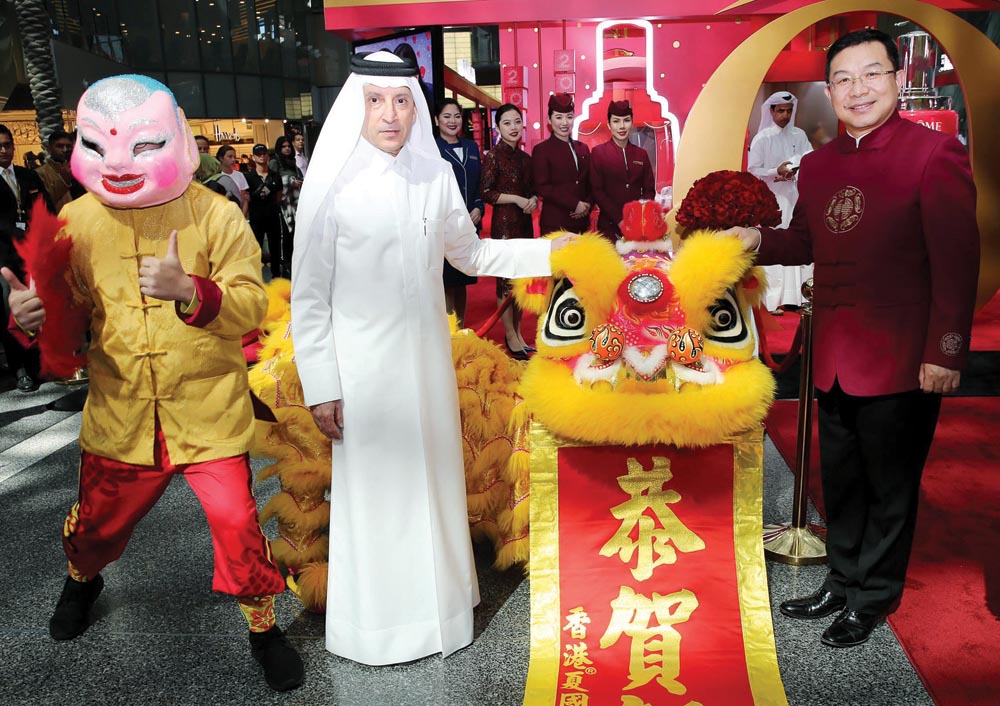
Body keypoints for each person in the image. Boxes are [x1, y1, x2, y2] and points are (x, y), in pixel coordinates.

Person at [0, 75, 303, 690]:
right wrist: (33, 319)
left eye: (140, 145)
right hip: (122, 416)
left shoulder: (216, 214)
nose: (119, 164)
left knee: (239, 528)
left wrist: (193, 291)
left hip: (208, 410)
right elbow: (70, 312)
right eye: (100, 145)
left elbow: (252, 305)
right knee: (94, 529)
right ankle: (83, 580)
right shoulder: (76, 220)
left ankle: (263, 627)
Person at [290, 51, 571, 666]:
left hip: (426, 366)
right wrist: (321, 384)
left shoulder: (433, 176)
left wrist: (553, 253)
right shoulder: (330, 184)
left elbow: (471, 257)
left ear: (415, 108)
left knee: (434, 486)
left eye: (401, 101)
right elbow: (309, 298)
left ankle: (442, 612)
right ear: (356, 104)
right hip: (362, 375)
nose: (390, 114)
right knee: (379, 496)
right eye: (375, 100)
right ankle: (376, 628)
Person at [728, 29, 979, 649]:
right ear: (830, 90)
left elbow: (957, 260)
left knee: (889, 485)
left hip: (901, 356)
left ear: (897, 80)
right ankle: (840, 581)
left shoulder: (934, 154)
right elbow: (805, 243)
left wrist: (944, 353)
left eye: (871, 74)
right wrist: (755, 239)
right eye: (843, 78)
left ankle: (873, 596)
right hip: (833, 353)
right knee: (839, 478)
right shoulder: (817, 165)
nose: (857, 89)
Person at [748, 91, 814, 314]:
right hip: (772, 200)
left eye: (788, 111)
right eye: (780, 111)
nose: (785, 115)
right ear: (771, 111)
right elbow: (753, 172)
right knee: (775, 243)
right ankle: (772, 300)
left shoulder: (799, 135)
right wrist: (776, 171)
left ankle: (797, 297)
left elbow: (810, 160)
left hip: (795, 197)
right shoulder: (763, 138)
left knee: (796, 242)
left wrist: (795, 170)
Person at [481, 103, 538, 358]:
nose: (513, 127)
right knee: (505, 282)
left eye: (517, 122)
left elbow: (532, 189)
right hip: (504, 225)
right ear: (498, 127)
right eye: (507, 123)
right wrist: (515, 199)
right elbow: (487, 192)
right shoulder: (494, 156)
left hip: (524, 224)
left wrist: (534, 199)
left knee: (520, 282)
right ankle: (510, 335)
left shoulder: (526, 159)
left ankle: (517, 332)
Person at [0, 124, 53, 392]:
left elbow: (47, 208)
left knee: (38, 308)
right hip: (5, 260)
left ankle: (38, 366)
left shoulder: (26, 176)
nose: (4, 150)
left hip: (35, 256)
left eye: (8, 145)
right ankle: (20, 369)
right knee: (12, 313)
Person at [434, 98, 482, 328]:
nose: (452, 121)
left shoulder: (471, 147)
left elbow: (479, 183)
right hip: (444, 223)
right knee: (446, 280)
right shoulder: (432, 149)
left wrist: (478, 207)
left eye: (456, 116)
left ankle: (461, 328)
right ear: (436, 120)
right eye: (446, 116)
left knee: (463, 278)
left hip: (469, 223)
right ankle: (449, 332)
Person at [589, 100, 655, 240]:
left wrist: (639, 216)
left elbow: (649, 189)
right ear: (609, 124)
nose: (622, 126)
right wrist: (620, 220)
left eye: (626, 120)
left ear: (632, 122)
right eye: (616, 121)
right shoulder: (599, 153)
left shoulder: (641, 154)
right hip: (609, 227)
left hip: (637, 227)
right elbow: (597, 191)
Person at [532, 93, 591, 237]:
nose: (565, 123)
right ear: (549, 120)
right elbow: (542, 187)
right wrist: (575, 204)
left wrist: (587, 205)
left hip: (581, 222)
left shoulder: (582, 148)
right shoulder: (542, 150)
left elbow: (590, 182)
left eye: (569, 117)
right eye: (559, 117)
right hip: (555, 223)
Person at [245, 143, 284, 279]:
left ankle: (276, 275)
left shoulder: (275, 176)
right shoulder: (249, 177)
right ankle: (255, 277)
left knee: (275, 247)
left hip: (272, 215)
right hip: (256, 217)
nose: (262, 156)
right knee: (256, 248)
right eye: (259, 154)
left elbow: (279, 197)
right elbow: (246, 197)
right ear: (254, 157)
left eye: (264, 153)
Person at [269, 135, 303, 276]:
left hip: (295, 203)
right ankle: (285, 264)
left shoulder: (293, 163)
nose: (287, 148)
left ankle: (293, 262)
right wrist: (290, 181)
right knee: (285, 235)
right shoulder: (275, 162)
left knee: (295, 234)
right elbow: (273, 181)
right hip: (282, 204)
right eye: (284, 146)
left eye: (289, 146)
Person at [35, 129, 85, 212]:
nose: (65, 150)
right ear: (49, 149)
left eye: (68, 146)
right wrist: (63, 180)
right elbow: (44, 202)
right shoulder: (39, 173)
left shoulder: (81, 168)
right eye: (60, 146)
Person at [216, 144, 250, 218]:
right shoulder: (216, 176)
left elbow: (244, 198)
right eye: (230, 157)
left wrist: (242, 216)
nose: (233, 159)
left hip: (239, 212)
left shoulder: (239, 175)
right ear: (221, 158)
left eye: (234, 157)